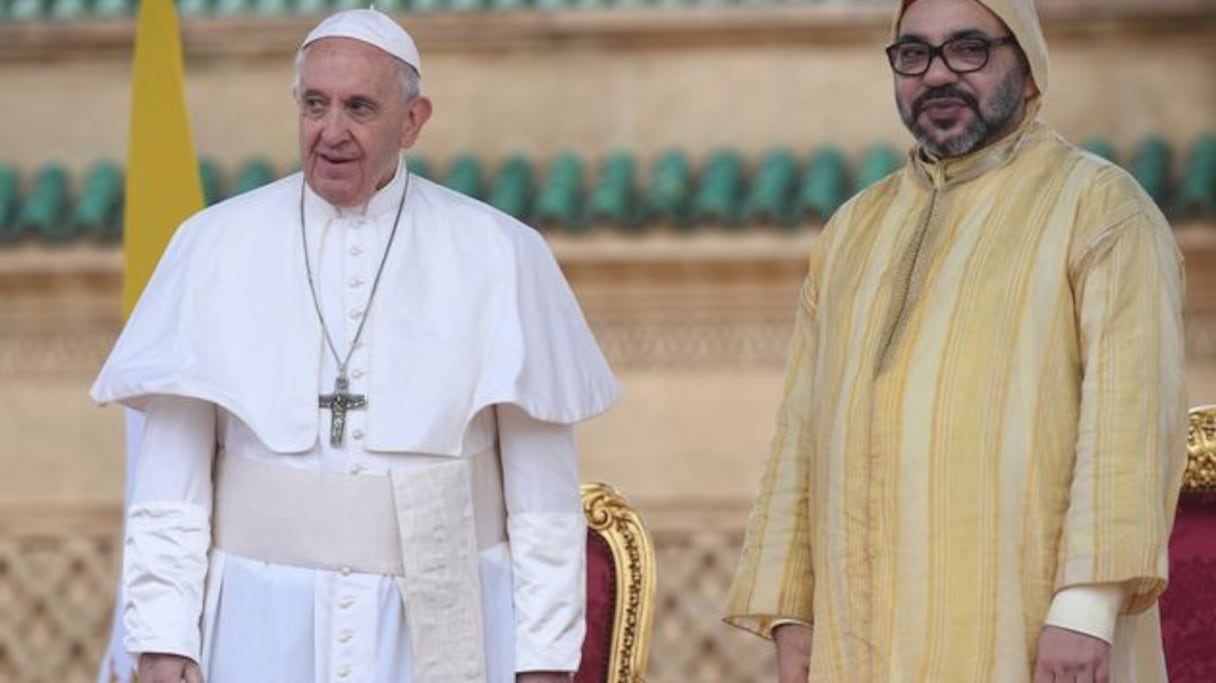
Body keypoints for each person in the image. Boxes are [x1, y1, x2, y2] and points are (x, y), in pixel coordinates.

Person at [92, 9, 616, 683]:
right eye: (316, 104)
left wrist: (544, 661)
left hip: (445, 623)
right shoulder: (213, 246)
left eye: (359, 107)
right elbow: (170, 479)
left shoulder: (501, 255)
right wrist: (162, 638)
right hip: (258, 628)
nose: (331, 131)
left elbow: (542, 501)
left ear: (413, 120)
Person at [724, 0, 1187, 681]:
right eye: (914, 54)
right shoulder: (853, 230)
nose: (938, 74)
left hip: (1035, 635)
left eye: (969, 49)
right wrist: (794, 614)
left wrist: (1086, 608)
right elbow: (800, 435)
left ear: (1028, 69)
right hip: (859, 636)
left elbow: (1131, 419)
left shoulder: (1103, 211)